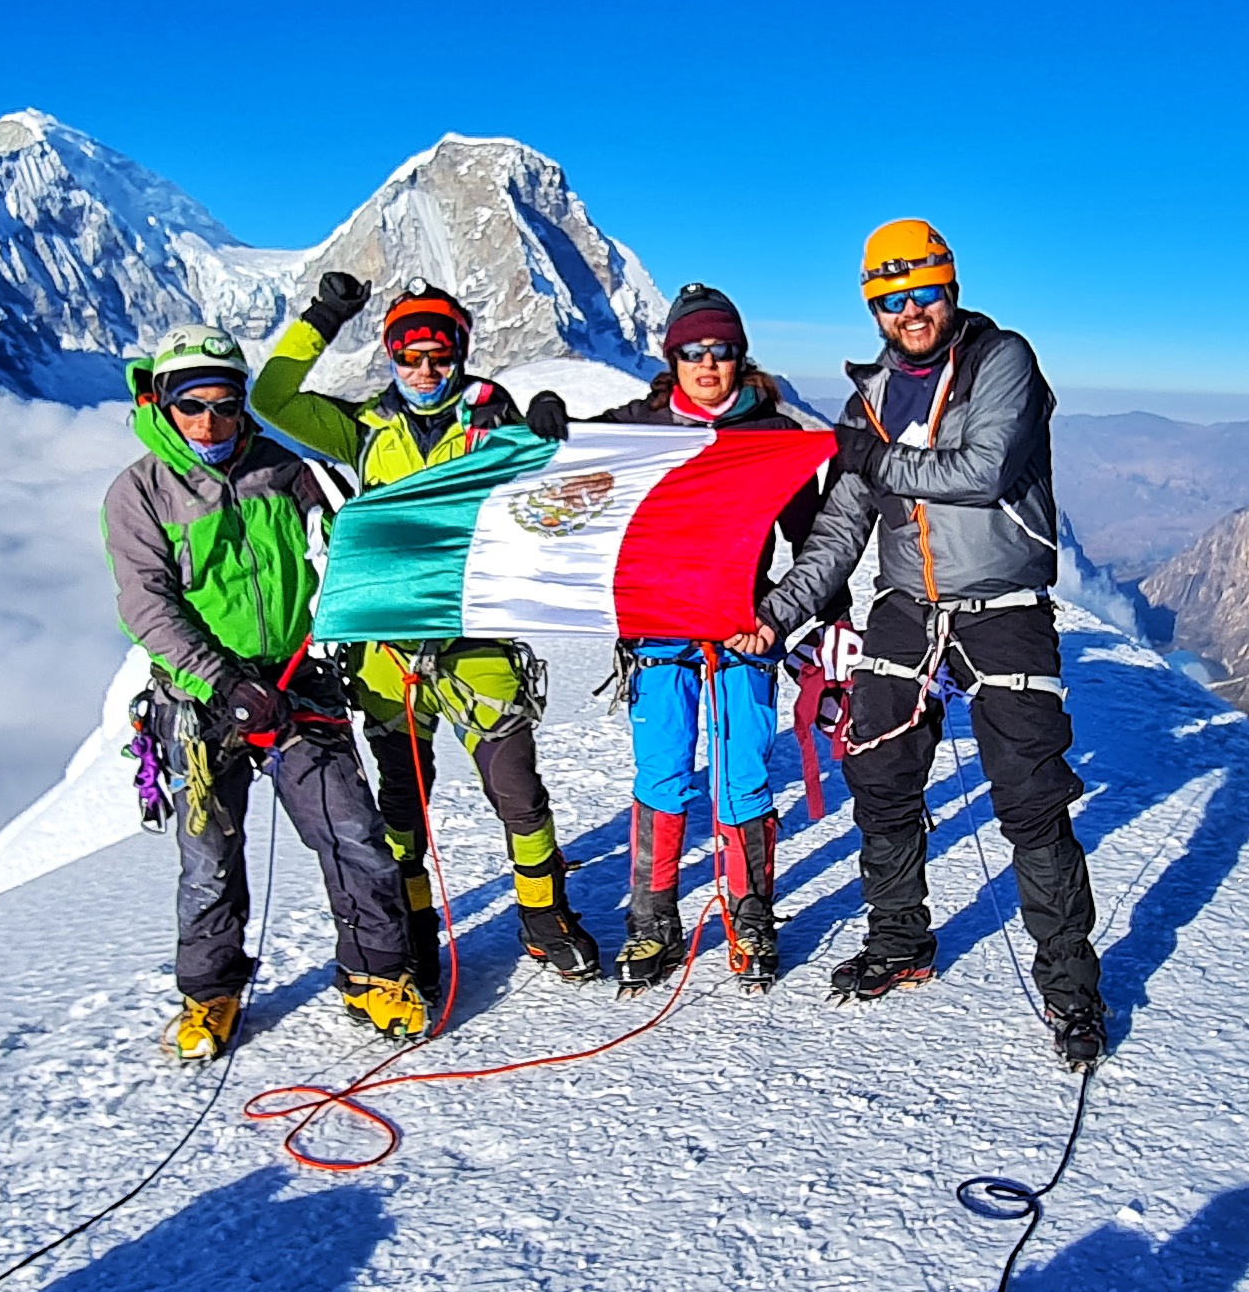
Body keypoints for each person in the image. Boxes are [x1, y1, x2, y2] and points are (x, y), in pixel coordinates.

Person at [750, 219, 1106, 1066]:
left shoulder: (1002, 360)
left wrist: (871, 459)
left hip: (1005, 601)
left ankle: (1071, 991)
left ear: (951, 287)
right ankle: (900, 938)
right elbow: (839, 531)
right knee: (880, 776)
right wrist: (778, 613)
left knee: (1029, 795)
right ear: (873, 309)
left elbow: (983, 471)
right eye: (892, 299)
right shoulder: (869, 401)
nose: (910, 311)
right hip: (908, 601)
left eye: (924, 292)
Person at [252, 273, 607, 986]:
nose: (423, 370)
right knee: (401, 802)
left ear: (459, 354)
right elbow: (271, 400)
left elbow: (551, 488)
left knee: (516, 788)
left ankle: (544, 915)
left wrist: (545, 427)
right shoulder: (363, 428)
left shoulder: (490, 417)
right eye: (408, 356)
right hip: (388, 645)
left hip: (473, 635)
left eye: (437, 356)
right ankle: (414, 926)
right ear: (389, 356)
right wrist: (323, 317)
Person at [101, 325, 426, 1056]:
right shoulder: (140, 492)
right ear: (162, 401)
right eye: (193, 406)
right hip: (199, 699)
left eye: (226, 404)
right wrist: (222, 680)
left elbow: (352, 531)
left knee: (353, 832)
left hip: (292, 680)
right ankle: (209, 994)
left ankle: (376, 974)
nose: (210, 422)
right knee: (208, 859)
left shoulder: (281, 468)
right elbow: (146, 605)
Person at [524, 284, 839, 993]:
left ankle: (751, 915)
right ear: (673, 358)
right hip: (659, 634)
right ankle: (652, 919)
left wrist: (820, 617)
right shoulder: (639, 427)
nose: (707, 363)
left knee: (743, 775)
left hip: (743, 631)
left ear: (739, 356)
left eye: (721, 350)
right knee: (662, 774)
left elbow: (810, 536)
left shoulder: (772, 435)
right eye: (692, 351)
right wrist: (547, 422)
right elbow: (572, 465)